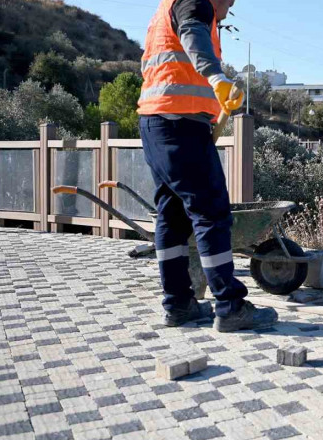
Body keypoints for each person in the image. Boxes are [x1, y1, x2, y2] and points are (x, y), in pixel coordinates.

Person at [137, 0, 277, 332]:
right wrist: (217, 77)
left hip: (156, 122)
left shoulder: (168, 6)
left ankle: (179, 304)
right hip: (181, 124)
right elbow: (192, 34)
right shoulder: (195, 3)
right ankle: (230, 306)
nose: (230, 6)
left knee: (171, 215)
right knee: (211, 212)